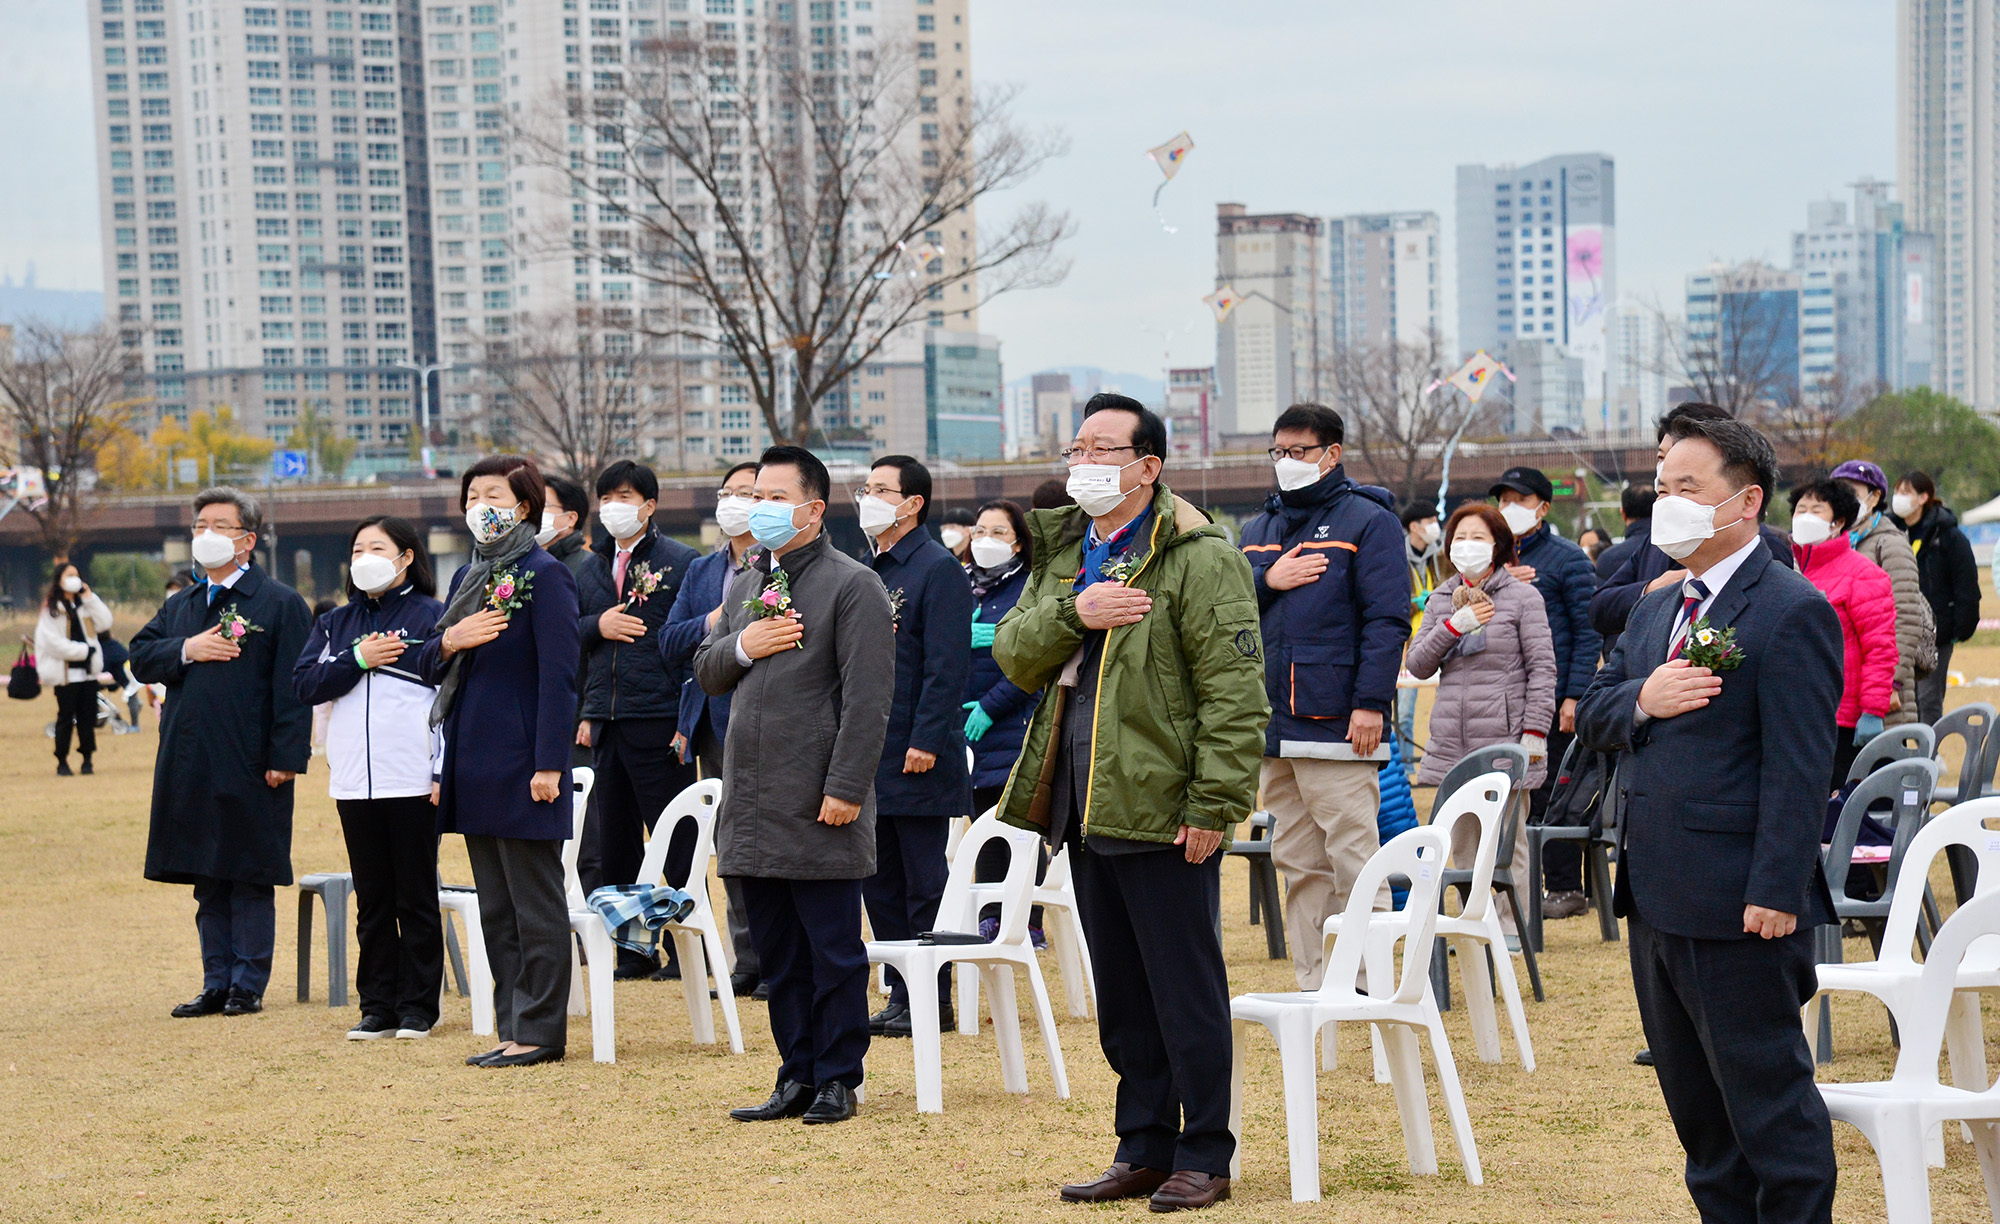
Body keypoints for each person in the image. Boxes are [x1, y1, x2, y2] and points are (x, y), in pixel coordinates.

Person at [995, 394, 1266, 1212]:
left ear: (1148, 466)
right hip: (1082, 800)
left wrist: (1214, 802)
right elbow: (1013, 653)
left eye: (1103, 448)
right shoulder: (1067, 550)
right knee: (1121, 992)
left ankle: (1205, 1154)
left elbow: (1234, 693)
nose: (1085, 461)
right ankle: (1142, 1144)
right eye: (1078, 446)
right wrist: (1073, 612)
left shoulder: (1197, 552)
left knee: (1183, 987)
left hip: (1165, 803)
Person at [1575, 413, 1841, 1224]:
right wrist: (1643, 701)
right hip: (1656, 894)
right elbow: (1593, 711)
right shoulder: (1659, 605)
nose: (1668, 503)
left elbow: (1802, 770)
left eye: (1687, 488)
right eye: (1663, 487)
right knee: (1703, 1132)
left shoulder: (1790, 610)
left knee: (1772, 1120)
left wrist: (1776, 891)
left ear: (1745, 501)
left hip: (1741, 909)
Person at [696, 445, 896, 1127]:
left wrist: (845, 787)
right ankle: (795, 1073)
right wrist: (745, 645)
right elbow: (708, 669)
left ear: (813, 509)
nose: (760, 510)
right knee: (777, 954)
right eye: (756, 497)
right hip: (751, 800)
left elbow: (869, 702)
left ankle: (839, 1076)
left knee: (832, 951)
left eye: (775, 498)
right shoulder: (747, 581)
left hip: (818, 800)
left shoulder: (852, 585)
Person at [415, 454, 581, 1069]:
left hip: (525, 766)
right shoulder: (466, 577)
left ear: (525, 506)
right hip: (474, 763)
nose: (480, 505)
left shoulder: (545, 574)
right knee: (497, 906)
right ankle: (514, 1025)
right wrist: (451, 639)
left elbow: (559, 677)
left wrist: (548, 764)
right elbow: (430, 664)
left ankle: (541, 1031)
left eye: (494, 494)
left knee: (535, 905)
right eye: (472, 495)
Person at [1239, 403, 1410, 989]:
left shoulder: (1369, 521)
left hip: (1336, 716)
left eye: (1299, 451)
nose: (1286, 462)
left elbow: (1388, 620)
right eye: (1278, 451)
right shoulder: (1257, 528)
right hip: (1272, 721)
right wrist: (1266, 580)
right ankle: (1316, 981)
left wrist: (1370, 703)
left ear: (1332, 454)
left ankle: (1372, 980)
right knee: (1296, 860)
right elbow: (1230, 610)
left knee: (1354, 855)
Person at [130, 487, 313, 1018]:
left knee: (247, 871)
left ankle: (247, 983)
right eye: (199, 526)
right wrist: (187, 648)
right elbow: (142, 656)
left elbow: (293, 688)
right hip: (190, 760)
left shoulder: (278, 603)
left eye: (220, 525)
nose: (206, 535)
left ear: (248, 539)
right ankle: (214, 981)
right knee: (206, 874)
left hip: (253, 760)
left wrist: (286, 756)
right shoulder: (183, 604)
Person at [292, 516, 447, 1041]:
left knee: (416, 894)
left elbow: (451, 699)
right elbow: (305, 684)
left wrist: (440, 769)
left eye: (376, 548)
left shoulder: (433, 615)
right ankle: (376, 1005)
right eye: (357, 549)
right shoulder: (334, 623)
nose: (364, 557)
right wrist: (358, 657)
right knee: (373, 898)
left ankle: (419, 1007)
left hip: (413, 778)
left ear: (406, 557)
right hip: (355, 783)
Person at [856, 454, 973, 1038]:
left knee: (924, 881)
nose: (869, 497)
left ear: (912, 503)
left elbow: (946, 667)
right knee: (878, 879)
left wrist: (926, 738)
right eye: (867, 486)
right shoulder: (865, 567)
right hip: (869, 750)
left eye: (882, 489)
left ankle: (935, 995)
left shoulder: (936, 569)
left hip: (917, 753)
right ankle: (901, 990)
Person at [1404, 502, 1557, 938]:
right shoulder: (1440, 597)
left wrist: (1533, 732)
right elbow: (1417, 662)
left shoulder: (1524, 598)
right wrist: (1455, 624)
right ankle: (1473, 928)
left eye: (1478, 538)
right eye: (1460, 538)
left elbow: (1543, 669)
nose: (1467, 546)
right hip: (1454, 737)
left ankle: (1514, 930)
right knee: (1464, 842)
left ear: (1499, 545)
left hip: (1506, 736)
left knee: (1511, 843)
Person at [573, 460, 700, 980]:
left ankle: (691, 946)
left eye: (624, 496)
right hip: (606, 719)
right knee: (615, 842)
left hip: (658, 716)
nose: (613, 508)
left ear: (649, 505)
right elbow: (568, 636)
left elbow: (689, 638)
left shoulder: (680, 561)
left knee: (676, 838)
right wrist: (596, 626)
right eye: (606, 498)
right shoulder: (588, 568)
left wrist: (684, 718)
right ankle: (633, 948)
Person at [661, 460, 764, 997]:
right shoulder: (702, 572)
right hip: (713, 725)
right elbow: (671, 640)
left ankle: (775, 958)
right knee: (731, 848)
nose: (733, 502)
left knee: (771, 845)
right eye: (726, 492)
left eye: (746, 493)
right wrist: (715, 622)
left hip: (770, 723)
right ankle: (746, 958)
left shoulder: (782, 564)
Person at [1487, 466, 1600, 923]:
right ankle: (1507, 892)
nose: (1509, 508)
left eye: (1520, 499)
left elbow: (1587, 633)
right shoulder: (1489, 561)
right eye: (1503, 499)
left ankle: (1564, 886)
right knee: (1506, 798)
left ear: (1543, 507)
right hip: (1499, 699)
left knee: (1553, 792)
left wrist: (1573, 696)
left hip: (1550, 699)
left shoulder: (1568, 559)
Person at [1590, 403, 1794, 645]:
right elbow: (1600, 610)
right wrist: (1654, 588)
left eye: (1686, 486)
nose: (1668, 467)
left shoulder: (1771, 559)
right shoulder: (1654, 550)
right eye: (1662, 458)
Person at [963, 499, 1044, 942]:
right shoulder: (961, 585)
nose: (985, 541)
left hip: (1011, 722)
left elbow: (1034, 662)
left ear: (1017, 542)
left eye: (997, 533)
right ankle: (990, 912)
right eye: (978, 532)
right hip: (962, 725)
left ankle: (1025, 919)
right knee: (981, 821)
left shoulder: (1028, 588)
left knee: (1014, 821)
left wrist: (990, 706)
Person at [1790, 479, 1899, 791]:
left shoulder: (1864, 575)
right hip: (1795, 713)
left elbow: (1880, 649)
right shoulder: (1787, 571)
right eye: (1801, 509)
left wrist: (1872, 711)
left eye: (1816, 510)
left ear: (1838, 522)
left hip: (1841, 718)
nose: (1806, 517)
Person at [1831, 459, 1928, 730]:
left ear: (1874, 498)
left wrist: (1891, 684)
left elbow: (1906, 620)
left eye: (1852, 490)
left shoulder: (1890, 544)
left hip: (1881, 691)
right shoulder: (1830, 543)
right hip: (1841, 689)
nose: (1843, 498)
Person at [1897, 470, 1982, 722]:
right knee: (1902, 699)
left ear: (1924, 497)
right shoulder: (1892, 532)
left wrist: (1956, 629)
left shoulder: (1948, 536)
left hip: (1937, 632)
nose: (1898, 498)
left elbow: (1966, 585)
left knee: (1928, 699)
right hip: (1900, 627)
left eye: (1906, 493)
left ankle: (1930, 756)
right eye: (1897, 492)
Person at [36, 562, 113, 776]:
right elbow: (51, 642)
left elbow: (105, 622)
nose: (74, 578)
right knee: (65, 717)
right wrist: (82, 651)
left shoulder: (84, 605)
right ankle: (62, 760)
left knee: (88, 718)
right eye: (69, 575)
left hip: (88, 673)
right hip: (66, 674)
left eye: (76, 575)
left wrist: (90, 597)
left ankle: (87, 759)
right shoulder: (52, 609)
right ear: (59, 580)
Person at [1399, 502, 1444, 770]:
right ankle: (1405, 767)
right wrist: (1416, 603)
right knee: (1404, 712)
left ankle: (1440, 764)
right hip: (1407, 646)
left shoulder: (1441, 557)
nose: (1434, 526)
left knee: (1445, 708)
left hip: (1439, 640)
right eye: (1429, 520)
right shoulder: (1395, 556)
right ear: (1414, 526)